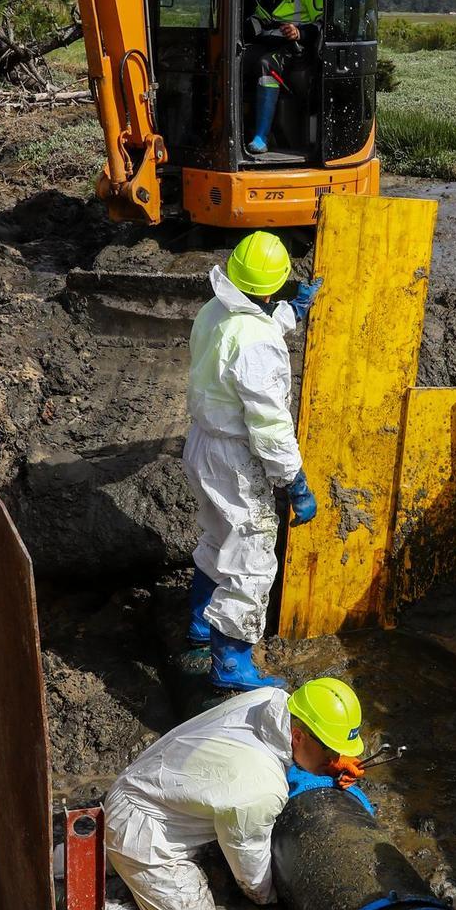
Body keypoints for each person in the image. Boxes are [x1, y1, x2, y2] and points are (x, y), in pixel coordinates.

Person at [104, 678, 366, 910]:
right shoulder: (261, 785)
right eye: (330, 753)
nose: (335, 760)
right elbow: (248, 861)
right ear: (297, 736)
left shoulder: (269, 699)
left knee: (100, 857)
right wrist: (269, 897)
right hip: (143, 833)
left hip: (135, 788)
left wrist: (328, 761)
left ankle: (74, 860)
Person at [183, 229, 321, 692]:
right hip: (236, 459)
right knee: (252, 556)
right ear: (274, 284)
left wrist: (291, 314)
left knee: (219, 535)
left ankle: (202, 624)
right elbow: (270, 425)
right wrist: (295, 482)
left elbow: (245, 333)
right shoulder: (258, 342)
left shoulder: (214, 308)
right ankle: (231, 666)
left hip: (203, 444)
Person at [244, 0, 324, 154]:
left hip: (296, 46)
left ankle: (261, 137)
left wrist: (299, 32)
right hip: (266, 40)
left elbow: (320, 22)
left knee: (265, 64)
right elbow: (257, 15)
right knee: (234, 59)